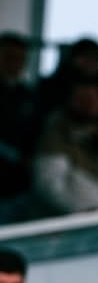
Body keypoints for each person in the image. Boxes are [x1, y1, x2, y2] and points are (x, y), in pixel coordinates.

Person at [32, 77, 98, 215]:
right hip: (71, 223)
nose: (90, 104)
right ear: (71, 100)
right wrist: (81, 210)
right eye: (84, 98)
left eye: (95, 98)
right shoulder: (56, 136)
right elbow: (48, 186)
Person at [0, 31, 38, 200]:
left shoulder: (28, 95)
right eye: (9, 57)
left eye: (20, 59)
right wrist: (17, 157)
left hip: (20, 183)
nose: (14, 63)